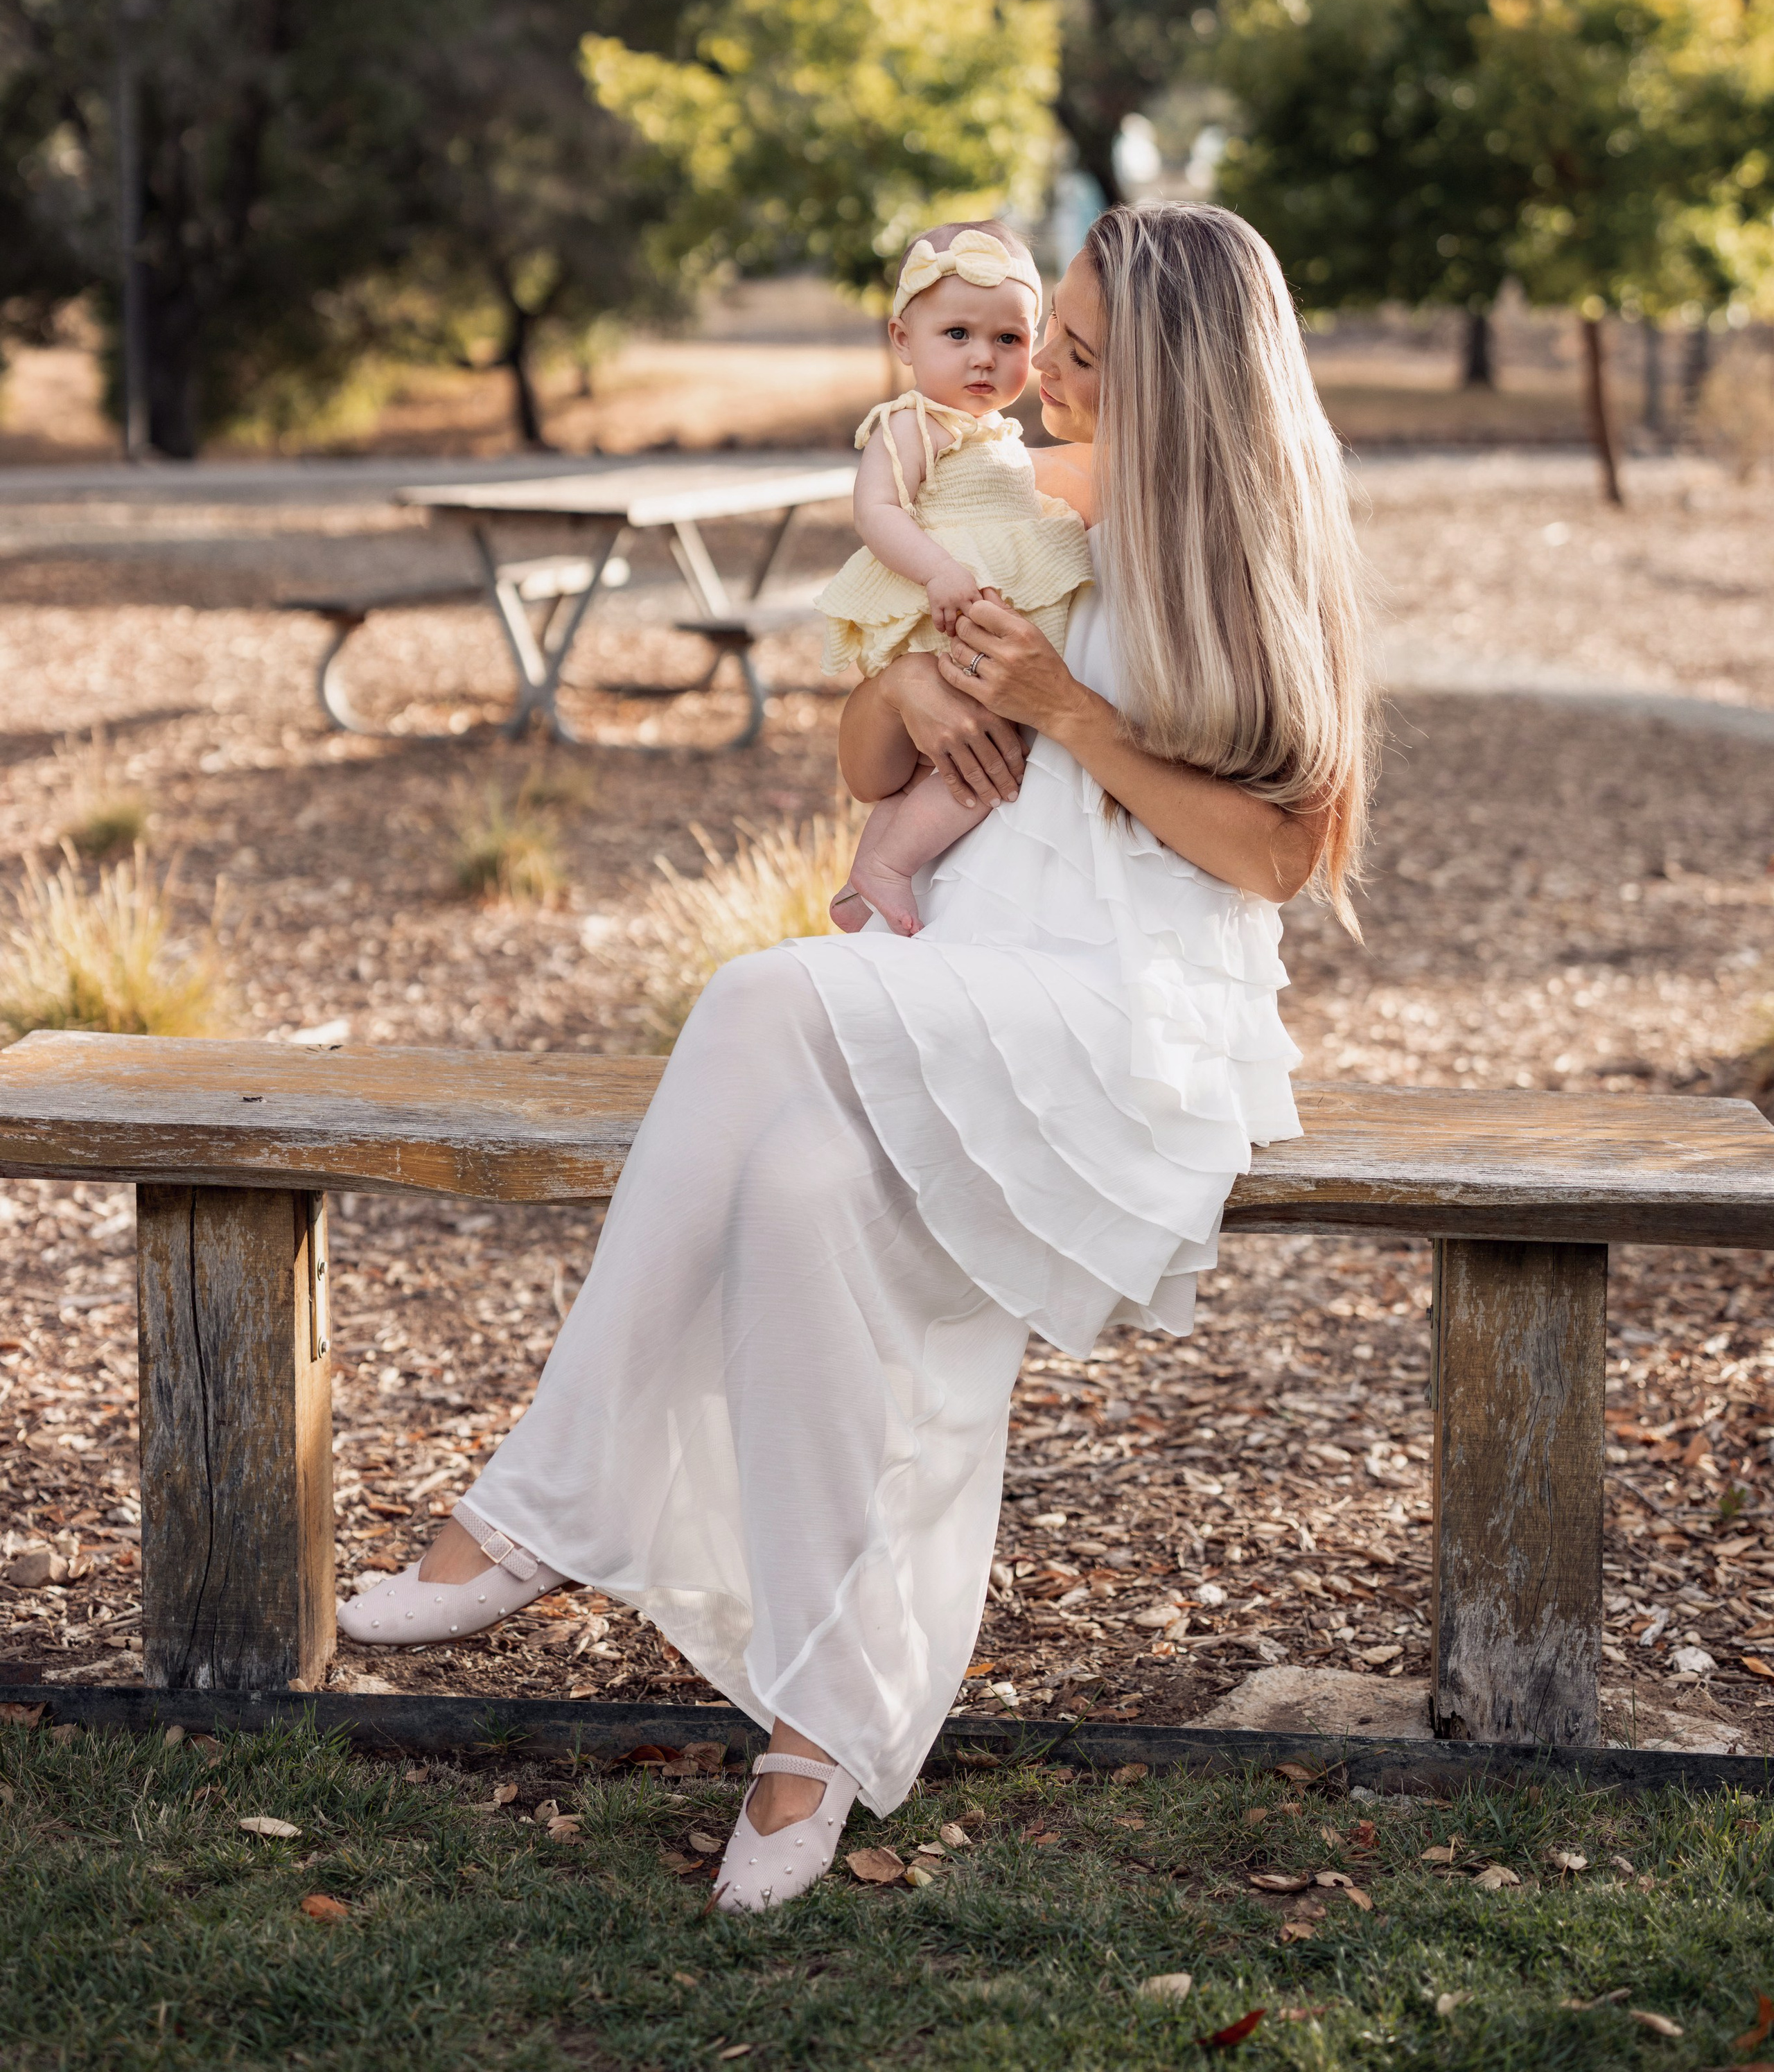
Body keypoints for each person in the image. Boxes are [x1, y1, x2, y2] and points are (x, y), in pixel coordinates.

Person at [337, 202, 1369, 1915]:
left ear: (1185, 384)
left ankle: (541, 1505)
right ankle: (817, 1725)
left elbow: (1275, 856)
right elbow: (857, 747)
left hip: (1122, 1019)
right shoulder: (1005, 499)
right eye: (1054, 340)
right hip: (955, 973)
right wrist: (924, 689)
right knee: (805, 1198)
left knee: (756, 995)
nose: (1042, 375)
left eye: (1091, 359)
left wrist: (1060, 707)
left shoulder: (1251, 553)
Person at [816, 217, 1093, 934]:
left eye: (1008, 340)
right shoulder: (910, 423)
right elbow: (874, 510)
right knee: (992, 754)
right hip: (943, 609)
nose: (984, 359)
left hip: (979, 605)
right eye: (957, 335)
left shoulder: (1000, 434)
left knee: (932, 764)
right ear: (903, 341)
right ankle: (889, 865)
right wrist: (940, 572)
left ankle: (862, 882)